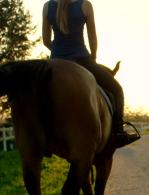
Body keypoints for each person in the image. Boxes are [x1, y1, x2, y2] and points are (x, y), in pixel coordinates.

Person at [42, 0, 139, 147]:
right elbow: (93, 39)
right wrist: (93, 58)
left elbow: (46, 41)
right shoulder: (85, 5)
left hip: (55, 62)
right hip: (82, 59)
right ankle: (118, 133)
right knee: (117, 89)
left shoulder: (47, 6)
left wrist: (59, 53)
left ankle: (40, 135)